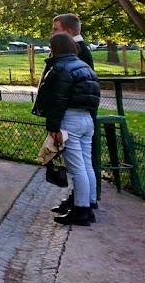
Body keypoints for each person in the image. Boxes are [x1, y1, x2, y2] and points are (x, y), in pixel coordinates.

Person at [33, 32, 101, 226]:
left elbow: (58, 100)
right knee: (86, 164)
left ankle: (81, 209)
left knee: (77, 166)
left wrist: (53, 127)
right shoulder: (84, 67)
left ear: (55, 48)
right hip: (86, 117)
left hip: (69, 118)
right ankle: (89, 202)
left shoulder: (61, 68)